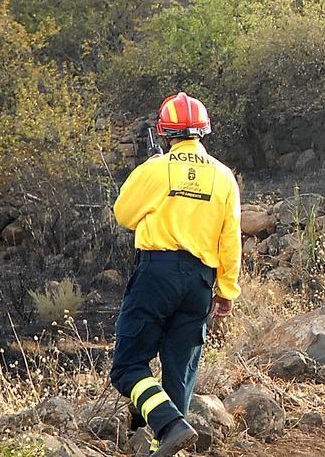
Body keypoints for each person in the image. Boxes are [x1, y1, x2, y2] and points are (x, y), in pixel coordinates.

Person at [111, 92, 242, 457]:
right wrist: (227, 290)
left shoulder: (155, 169)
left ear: (165, 132)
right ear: (203, 132)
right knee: (180, 370)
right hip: (200, 282)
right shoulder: (223, 176)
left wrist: (148, 171)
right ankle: (163, 444)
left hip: (157, 274)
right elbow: (230, 239)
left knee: (128, 366)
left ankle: (168, 424)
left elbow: (123, 214)